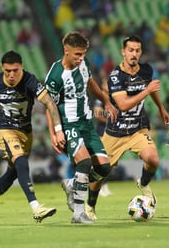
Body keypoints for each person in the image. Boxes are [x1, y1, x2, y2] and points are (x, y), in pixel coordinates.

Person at [0, 50, 66, 225]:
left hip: (26, 132)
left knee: (13, 172)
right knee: (20, 160)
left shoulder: (30, 81)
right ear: (2, 69)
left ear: (22, 68)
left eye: (15, 70)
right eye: (7, 71)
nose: (11, 75)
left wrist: (58, 129)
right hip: (5, 130)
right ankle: (36, 207)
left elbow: (49, 103)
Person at [44, 32, 117, 224]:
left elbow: (91, 84)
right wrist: (55, 132)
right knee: (84, 162)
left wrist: (106, 102)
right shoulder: (55, 75)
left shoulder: (83, 65)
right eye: (77, 54)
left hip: (87, 124)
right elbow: (49, 105)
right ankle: (78, 213)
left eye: (83, 54)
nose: (81, 58)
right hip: (69, 124)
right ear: (66, 51)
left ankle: (72, 184)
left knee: (104, 167)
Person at [101, 35, 169, 207]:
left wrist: (161, 108)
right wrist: (147, 90)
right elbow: (123, 105)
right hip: (116, 131)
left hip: (138, 129)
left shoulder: (146, 70)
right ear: (123, 52)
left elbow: (152, 89)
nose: (134, 54)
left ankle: (144, 183)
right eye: (130, 50)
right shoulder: (116, 76)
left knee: (153, 159)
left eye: (137, 50)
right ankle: (89, 206)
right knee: (99, 172)